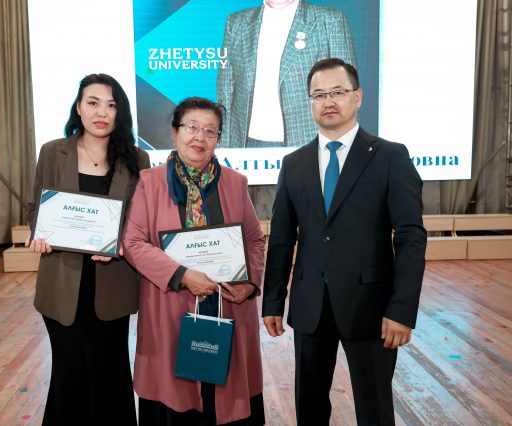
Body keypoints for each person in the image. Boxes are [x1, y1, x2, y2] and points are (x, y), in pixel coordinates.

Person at [262, 58, 427, 425]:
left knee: (374, 410)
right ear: (310, 102)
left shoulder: (390, 156)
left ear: (358, 97)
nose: (328, 101)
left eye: (337, 92)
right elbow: (283, 239)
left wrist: (402, 310)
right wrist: (272, 300)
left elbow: (411, 238)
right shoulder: (294, 163)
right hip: (310, 305)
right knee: (309, 409)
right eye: (319, 95)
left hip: (371, 307)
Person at [122, 97, 267, 425]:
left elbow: (255, 241)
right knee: (176, 400)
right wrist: (182, 274)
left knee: (226, 397)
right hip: (171, 308)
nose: (200, 137)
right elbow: (133, 243)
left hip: (228, 306)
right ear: (175, 133)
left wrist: (250, 282)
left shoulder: (235, 183)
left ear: (218, 139)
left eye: (210, 131)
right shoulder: (149, 182)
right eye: (191, 127)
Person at [25, 74, 150, 425]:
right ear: (78, 107)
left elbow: (143, 221)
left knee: (111, 372)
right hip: (62, 282)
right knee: (69, 374)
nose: (101, 112)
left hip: (113, 282)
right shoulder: (53, 152)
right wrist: (40, 232)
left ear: (120, 113)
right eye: (93, 103)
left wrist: (123, 243)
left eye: (111, 105)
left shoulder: (137, 159)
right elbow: (35, 208)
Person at [217, 0, 357, 148]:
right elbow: (225, 89)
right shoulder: (236, 22)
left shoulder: (330, 21)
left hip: (311, 141)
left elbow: (347, 93)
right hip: (246, 143)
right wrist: (222, 145)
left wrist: (344, 148)